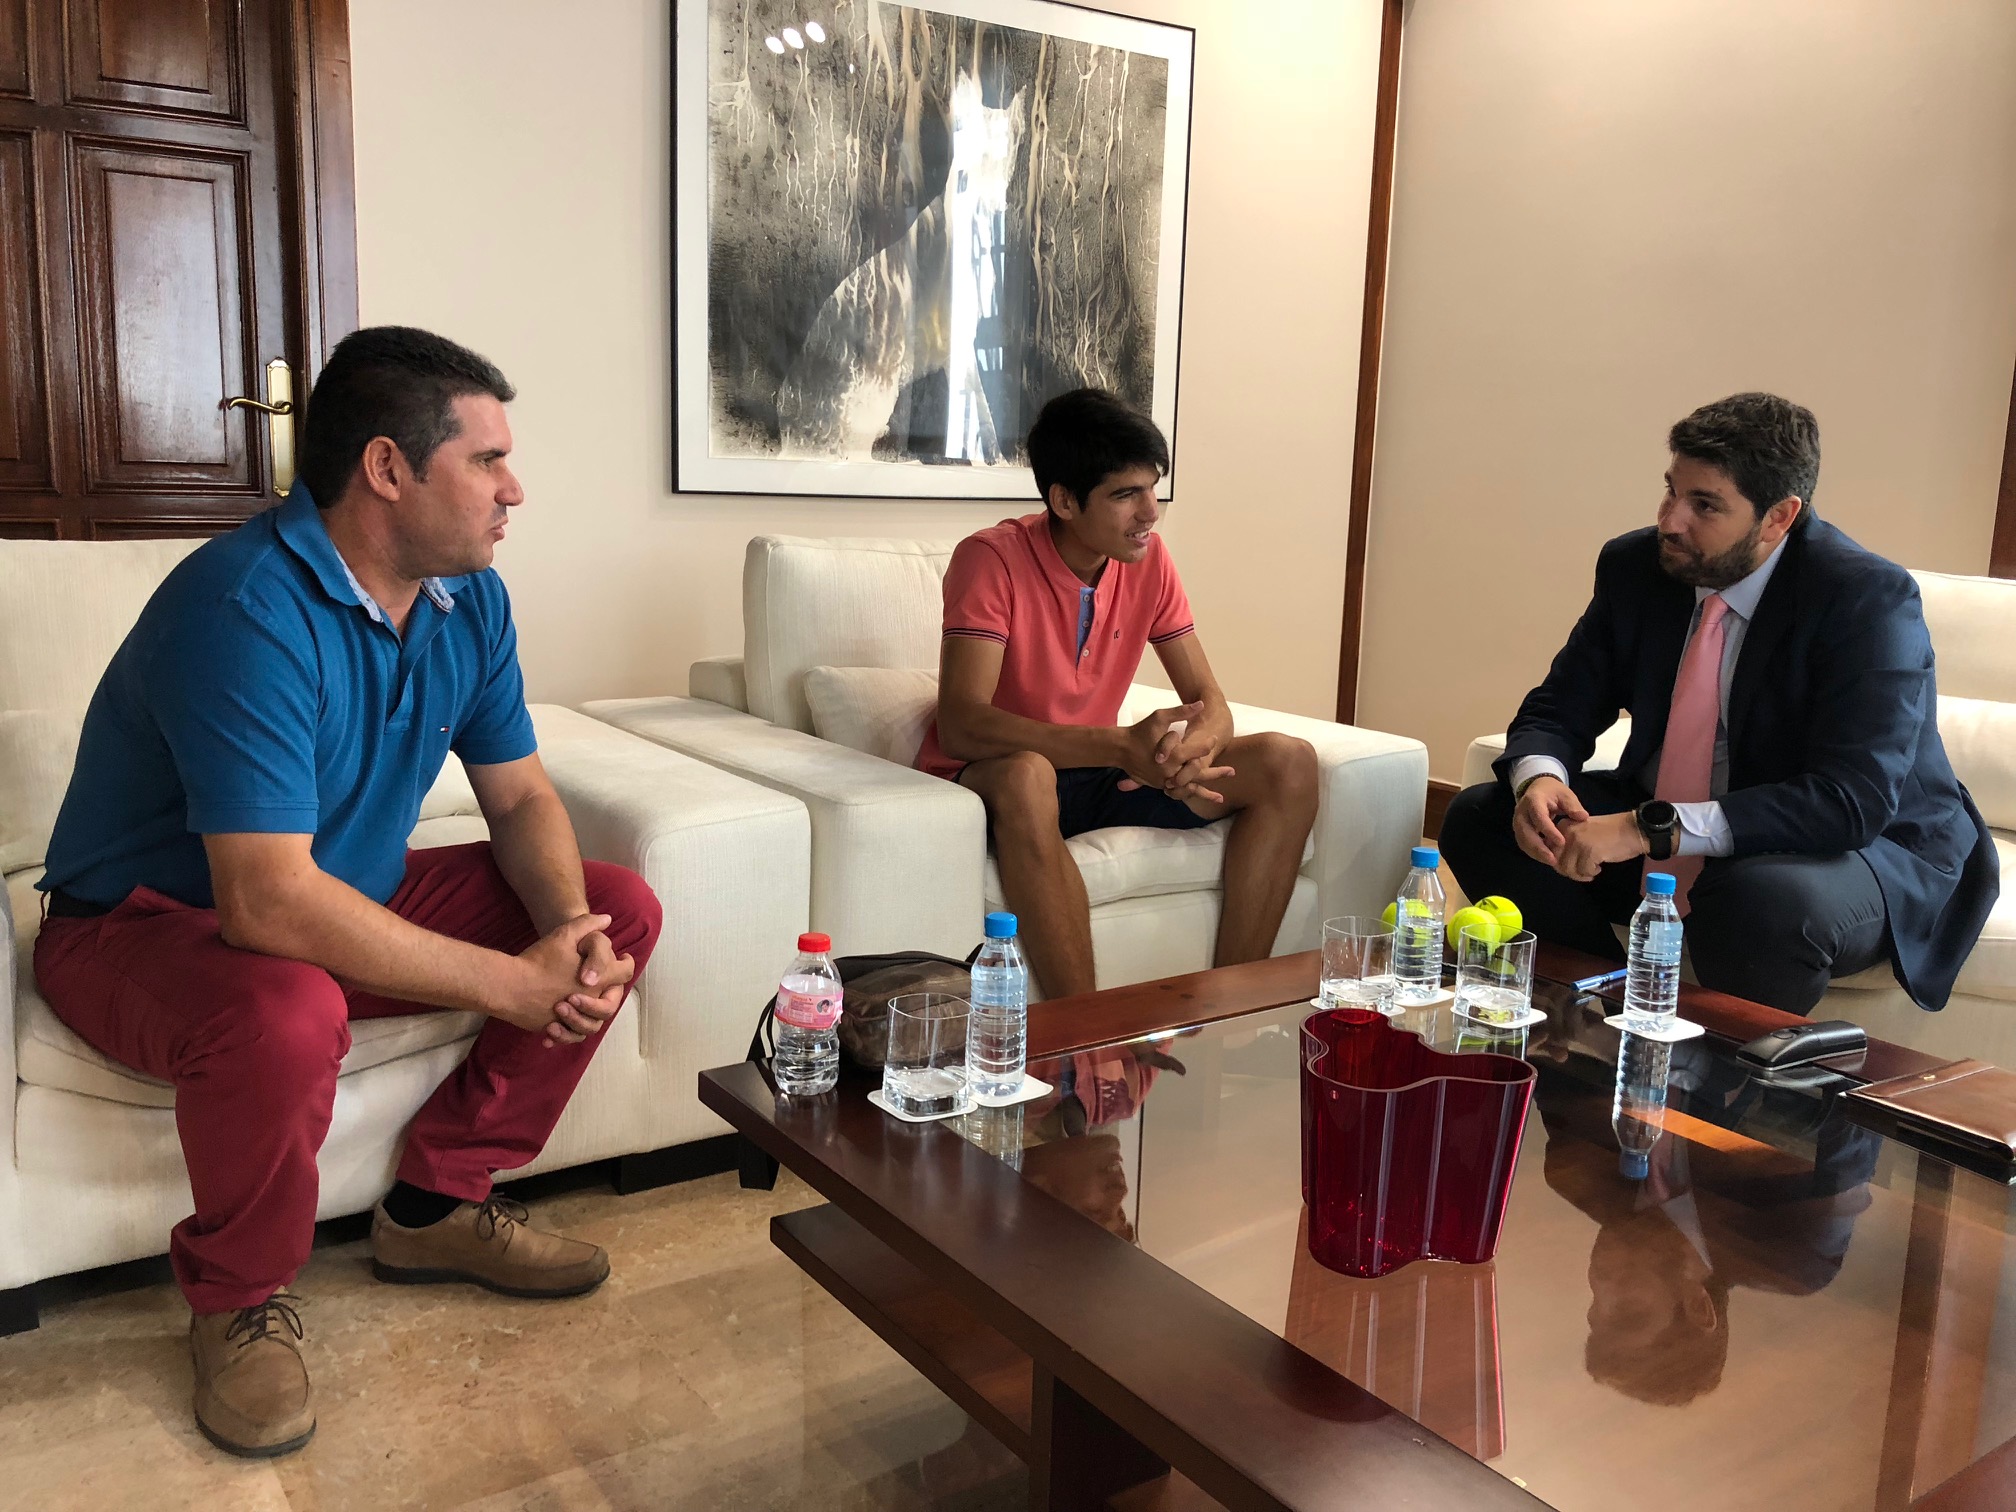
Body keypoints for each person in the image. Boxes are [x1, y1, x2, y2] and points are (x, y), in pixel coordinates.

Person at [32, 326, 664, 1459]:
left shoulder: (469, 602)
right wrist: (509, 985)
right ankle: (237, 1302)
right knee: (286, 1006)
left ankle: (435, 1206)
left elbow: (521, 797)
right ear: (386, 469)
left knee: (616, 906)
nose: (514, 490)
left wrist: (566, 932)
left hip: (328, 899)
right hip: (140, 932)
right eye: (487, 460)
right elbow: (265, 906)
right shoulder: (243, 609)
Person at [1440, 392, 1998, 1015]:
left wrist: (1643, 829)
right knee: (1482, 818)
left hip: (1858, 845)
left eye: (1704, 505)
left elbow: (1850, 801)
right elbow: (1560, 705)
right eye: (1671, 491)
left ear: (1778, 517)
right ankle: (1603, 1014)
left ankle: (1718, 1070)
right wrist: (1539, 780)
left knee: (1761, 901)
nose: (1670, 521)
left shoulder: (1864, 598)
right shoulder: (1638, 566)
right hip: (1686, 817)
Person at [915, 388, 1319, 999]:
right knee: (1027, 774)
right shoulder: (990, 559)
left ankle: (1226, 1006)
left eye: (1153, 488)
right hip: (1001, 777)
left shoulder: (1148, 561)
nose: (1151, 512)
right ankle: (1087, 1034)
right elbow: (962, 724)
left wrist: (1194, 753)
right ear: (1064, 500)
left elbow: (1210, 702)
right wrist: (1117, 746)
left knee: (1288, 762)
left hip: (1105, 773)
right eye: (1126, 494)